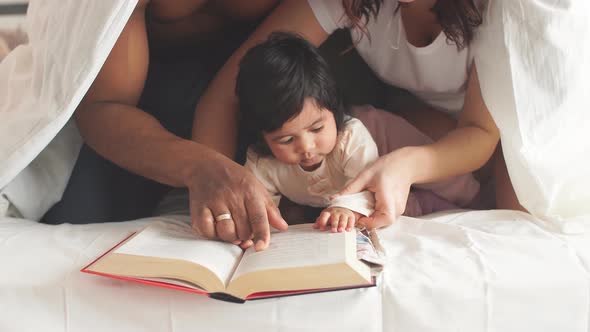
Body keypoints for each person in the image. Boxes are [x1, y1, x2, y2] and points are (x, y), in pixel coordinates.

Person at [190, 0, 522, 236]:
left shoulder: (495, 9)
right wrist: (218, 182)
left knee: (520, 230)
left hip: (498, 134)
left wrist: (405, 166)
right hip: (420, 123)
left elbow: (481, 132)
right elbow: (227, 92)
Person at [41, 0, 289, 251]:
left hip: (255, 90)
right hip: (139, 97)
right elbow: (103, 105)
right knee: (71, 234)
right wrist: (199, 166)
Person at [237, 32, 481, 233]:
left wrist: (347, 209)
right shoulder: (261, 162)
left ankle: (434, 202)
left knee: (401, 207)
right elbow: (259, 207)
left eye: (317, 129)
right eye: (287, 140)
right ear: (263, 138)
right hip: (321, 198)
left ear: (334, 110)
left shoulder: (350, 138)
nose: (307, 146)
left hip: (387, 165)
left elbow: (368, 186)